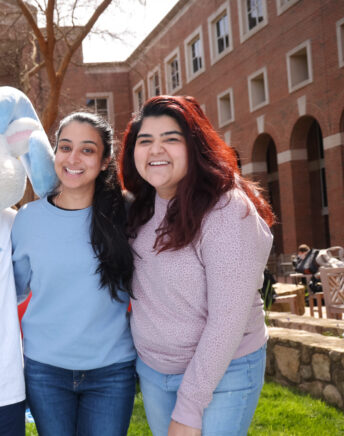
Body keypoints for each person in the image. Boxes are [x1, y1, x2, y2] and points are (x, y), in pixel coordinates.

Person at [119, 96, 275, 436]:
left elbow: (227, 321)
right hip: (154, 371)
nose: (155, 150)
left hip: (224, 372)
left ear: (195, 146)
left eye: (170, 139)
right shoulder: (142, 206)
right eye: (145, 141)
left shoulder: (226, 210)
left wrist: (189, 409)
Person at [11, 112, 136, 436]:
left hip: (111, 370)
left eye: (87, 150)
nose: (73, 159)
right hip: (45, 370)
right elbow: (16, 289)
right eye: (65, 147)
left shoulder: (127, 214)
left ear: (105, 160)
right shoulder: (28, 219)